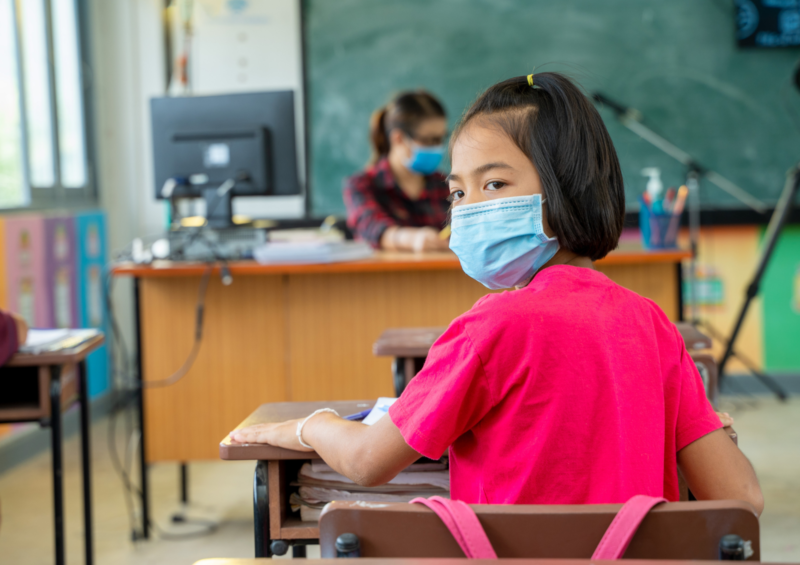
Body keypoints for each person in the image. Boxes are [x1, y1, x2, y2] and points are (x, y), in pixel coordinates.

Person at [232, 73, 763, 513]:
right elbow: (741, 499)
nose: (466, 209)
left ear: (566, 186)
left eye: (494, 185)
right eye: (458, 192)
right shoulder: (651, 324)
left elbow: (370, 460)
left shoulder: (489, 328)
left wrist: (313, 426)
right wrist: (696, 424)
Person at [343, 91, 451, 252]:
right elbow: (372, 228)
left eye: (441, 139)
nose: (437, 147)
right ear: (398, 138)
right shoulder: (361, 185)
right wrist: (412, 239)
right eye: (429, 140)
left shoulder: (446, 185)